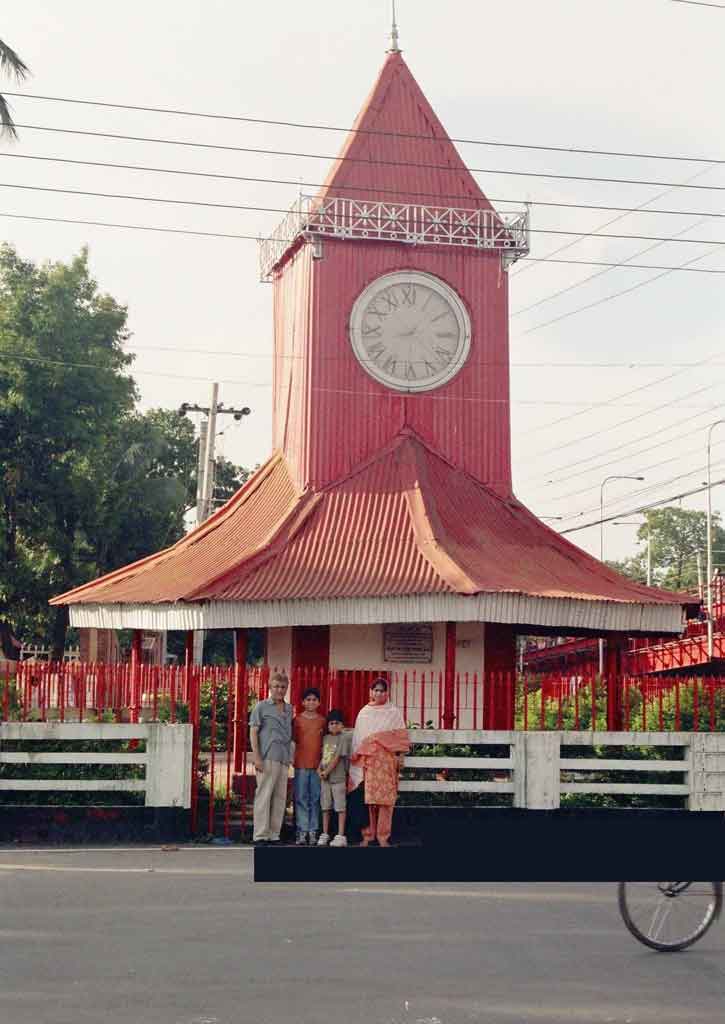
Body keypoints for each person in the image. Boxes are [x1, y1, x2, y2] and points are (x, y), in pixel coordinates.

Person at [349, 678, 410, 847]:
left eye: (382, 690)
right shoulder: (364, 712)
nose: (378, 693)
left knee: (386, 801)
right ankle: (368, 836)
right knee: (369, 800)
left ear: (387, 693)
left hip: (387, 761)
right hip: (369, 762)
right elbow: (359, 739)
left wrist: (401, 757)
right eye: (375, 690)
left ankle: (384, 836)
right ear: (370, 692)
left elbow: (400, 737)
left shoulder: (393, 712)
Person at [249, 672, 293, 845]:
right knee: (264, 795)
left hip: (283, 758)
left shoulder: (289, 709)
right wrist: (257, 757)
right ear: (270, 687)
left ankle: (274, 834)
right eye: (276, 686)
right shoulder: (261, 707)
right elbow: (253, 732)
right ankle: (260, 835)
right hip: (267, 757)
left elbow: (289, 734)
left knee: (280, 798)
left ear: (286, 688)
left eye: (282, 687)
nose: (279, 690)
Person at [292, 687, 326, 845]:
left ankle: (313, 831)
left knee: (315, 798)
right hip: (301, 764)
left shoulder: (322, 721)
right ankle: (302, 830)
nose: (311, 702)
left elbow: (327, 744)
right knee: (301, 798)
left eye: (314, 699)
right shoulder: (297, 720)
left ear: (319, 702)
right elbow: (293, 741)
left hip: (317, 766)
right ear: (302, 702)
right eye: (308, 699)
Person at [317, 709, 352, 848]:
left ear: (342, 725)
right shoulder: (325, 738)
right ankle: (325, 833)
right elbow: (324, 757)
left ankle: (340, 835)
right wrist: (319, 769)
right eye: (331, 723)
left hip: (338, 778)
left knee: (340, 807)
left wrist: (326, 771)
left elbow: (337, 757)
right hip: (325, 778)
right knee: (325, 807)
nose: (334, 726)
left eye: (337, 723)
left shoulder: (343, 738)